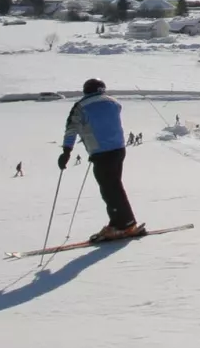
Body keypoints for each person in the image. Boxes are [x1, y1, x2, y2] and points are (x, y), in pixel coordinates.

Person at [61, 78, 142, 241]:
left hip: (100, 151)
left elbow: (71, 129)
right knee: (114, 186)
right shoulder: (114, 102)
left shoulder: (80, 107)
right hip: (119, 149)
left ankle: (124, 225)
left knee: (109, 189)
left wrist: (66, 151)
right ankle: (121, 222)